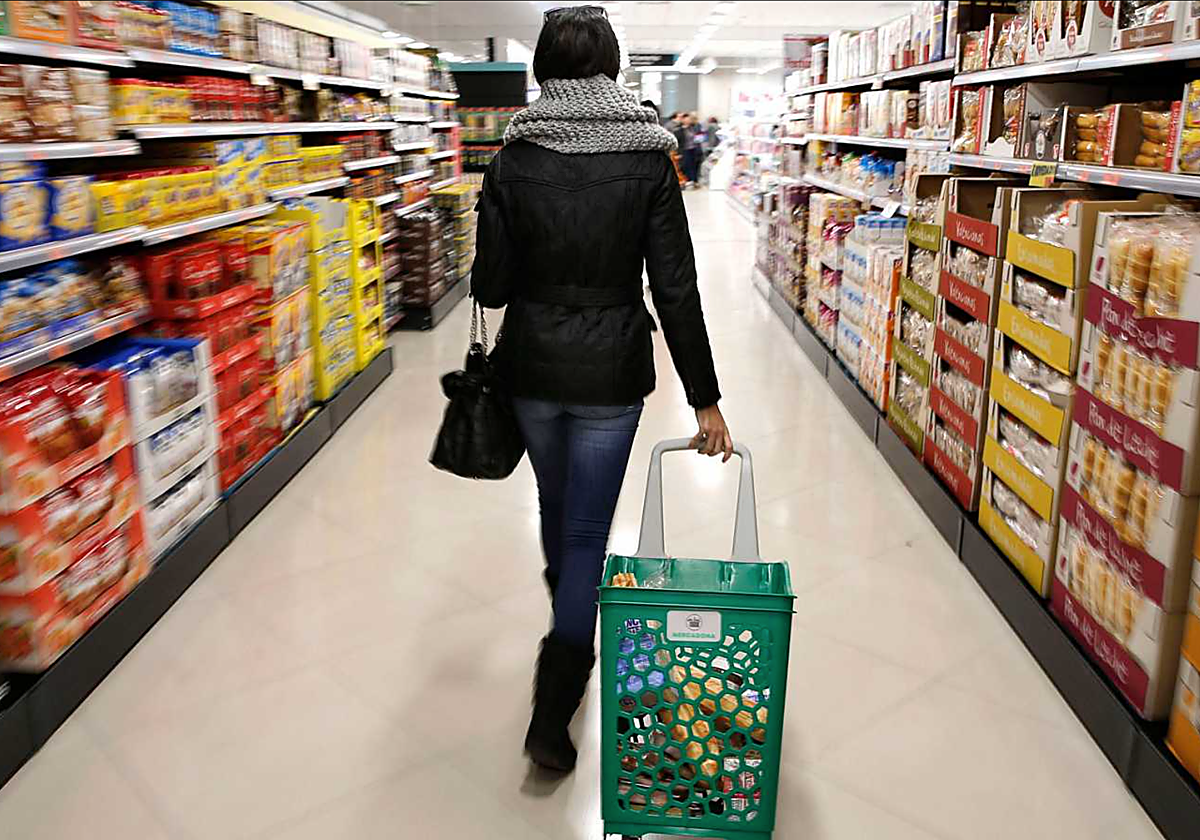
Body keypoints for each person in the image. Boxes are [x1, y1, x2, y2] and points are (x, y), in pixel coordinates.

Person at [470, 4, 732, 774]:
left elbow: (490, 285)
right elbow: (675, 288)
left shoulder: (511, 158)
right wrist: (705, 397)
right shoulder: (650, 156)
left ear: (543, 68)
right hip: (613, 369)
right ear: (612, 66)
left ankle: (567, 616)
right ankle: (554, 704)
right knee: (587, 530)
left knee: (558, 511)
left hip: (532, 365)